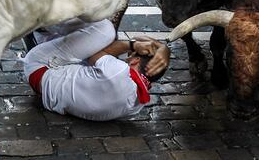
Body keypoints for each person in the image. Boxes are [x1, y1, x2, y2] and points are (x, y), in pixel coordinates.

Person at [22, 18, 170, 121]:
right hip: (48, 90)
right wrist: (163, 48)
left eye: (130, 56)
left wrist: (132, 45)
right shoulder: (137, 103)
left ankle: (44, 25)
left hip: (39, 67)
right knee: (93, 52)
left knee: (105, 31)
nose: (126, 57)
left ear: (135, 60)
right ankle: (43, 37)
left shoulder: (118, 73)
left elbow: (97, 51)